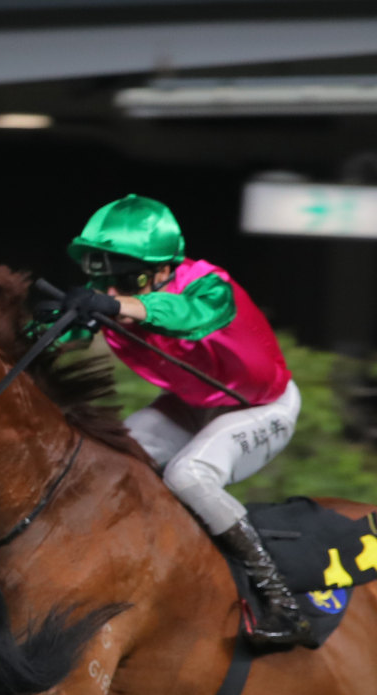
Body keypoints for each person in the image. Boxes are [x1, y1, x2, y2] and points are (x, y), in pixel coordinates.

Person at [57, 193, 314, 648]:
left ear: (163, 269)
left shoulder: (210, 286)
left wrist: (116, 308)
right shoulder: (125, 296)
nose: (112, 290)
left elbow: (188, 317)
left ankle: (283, 604)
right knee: (106, 460)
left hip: (262, 406)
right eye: (103, 278)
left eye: (125, 278)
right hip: (193, 402)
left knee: (189, 476)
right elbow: (74, 331)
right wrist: (49, 322)